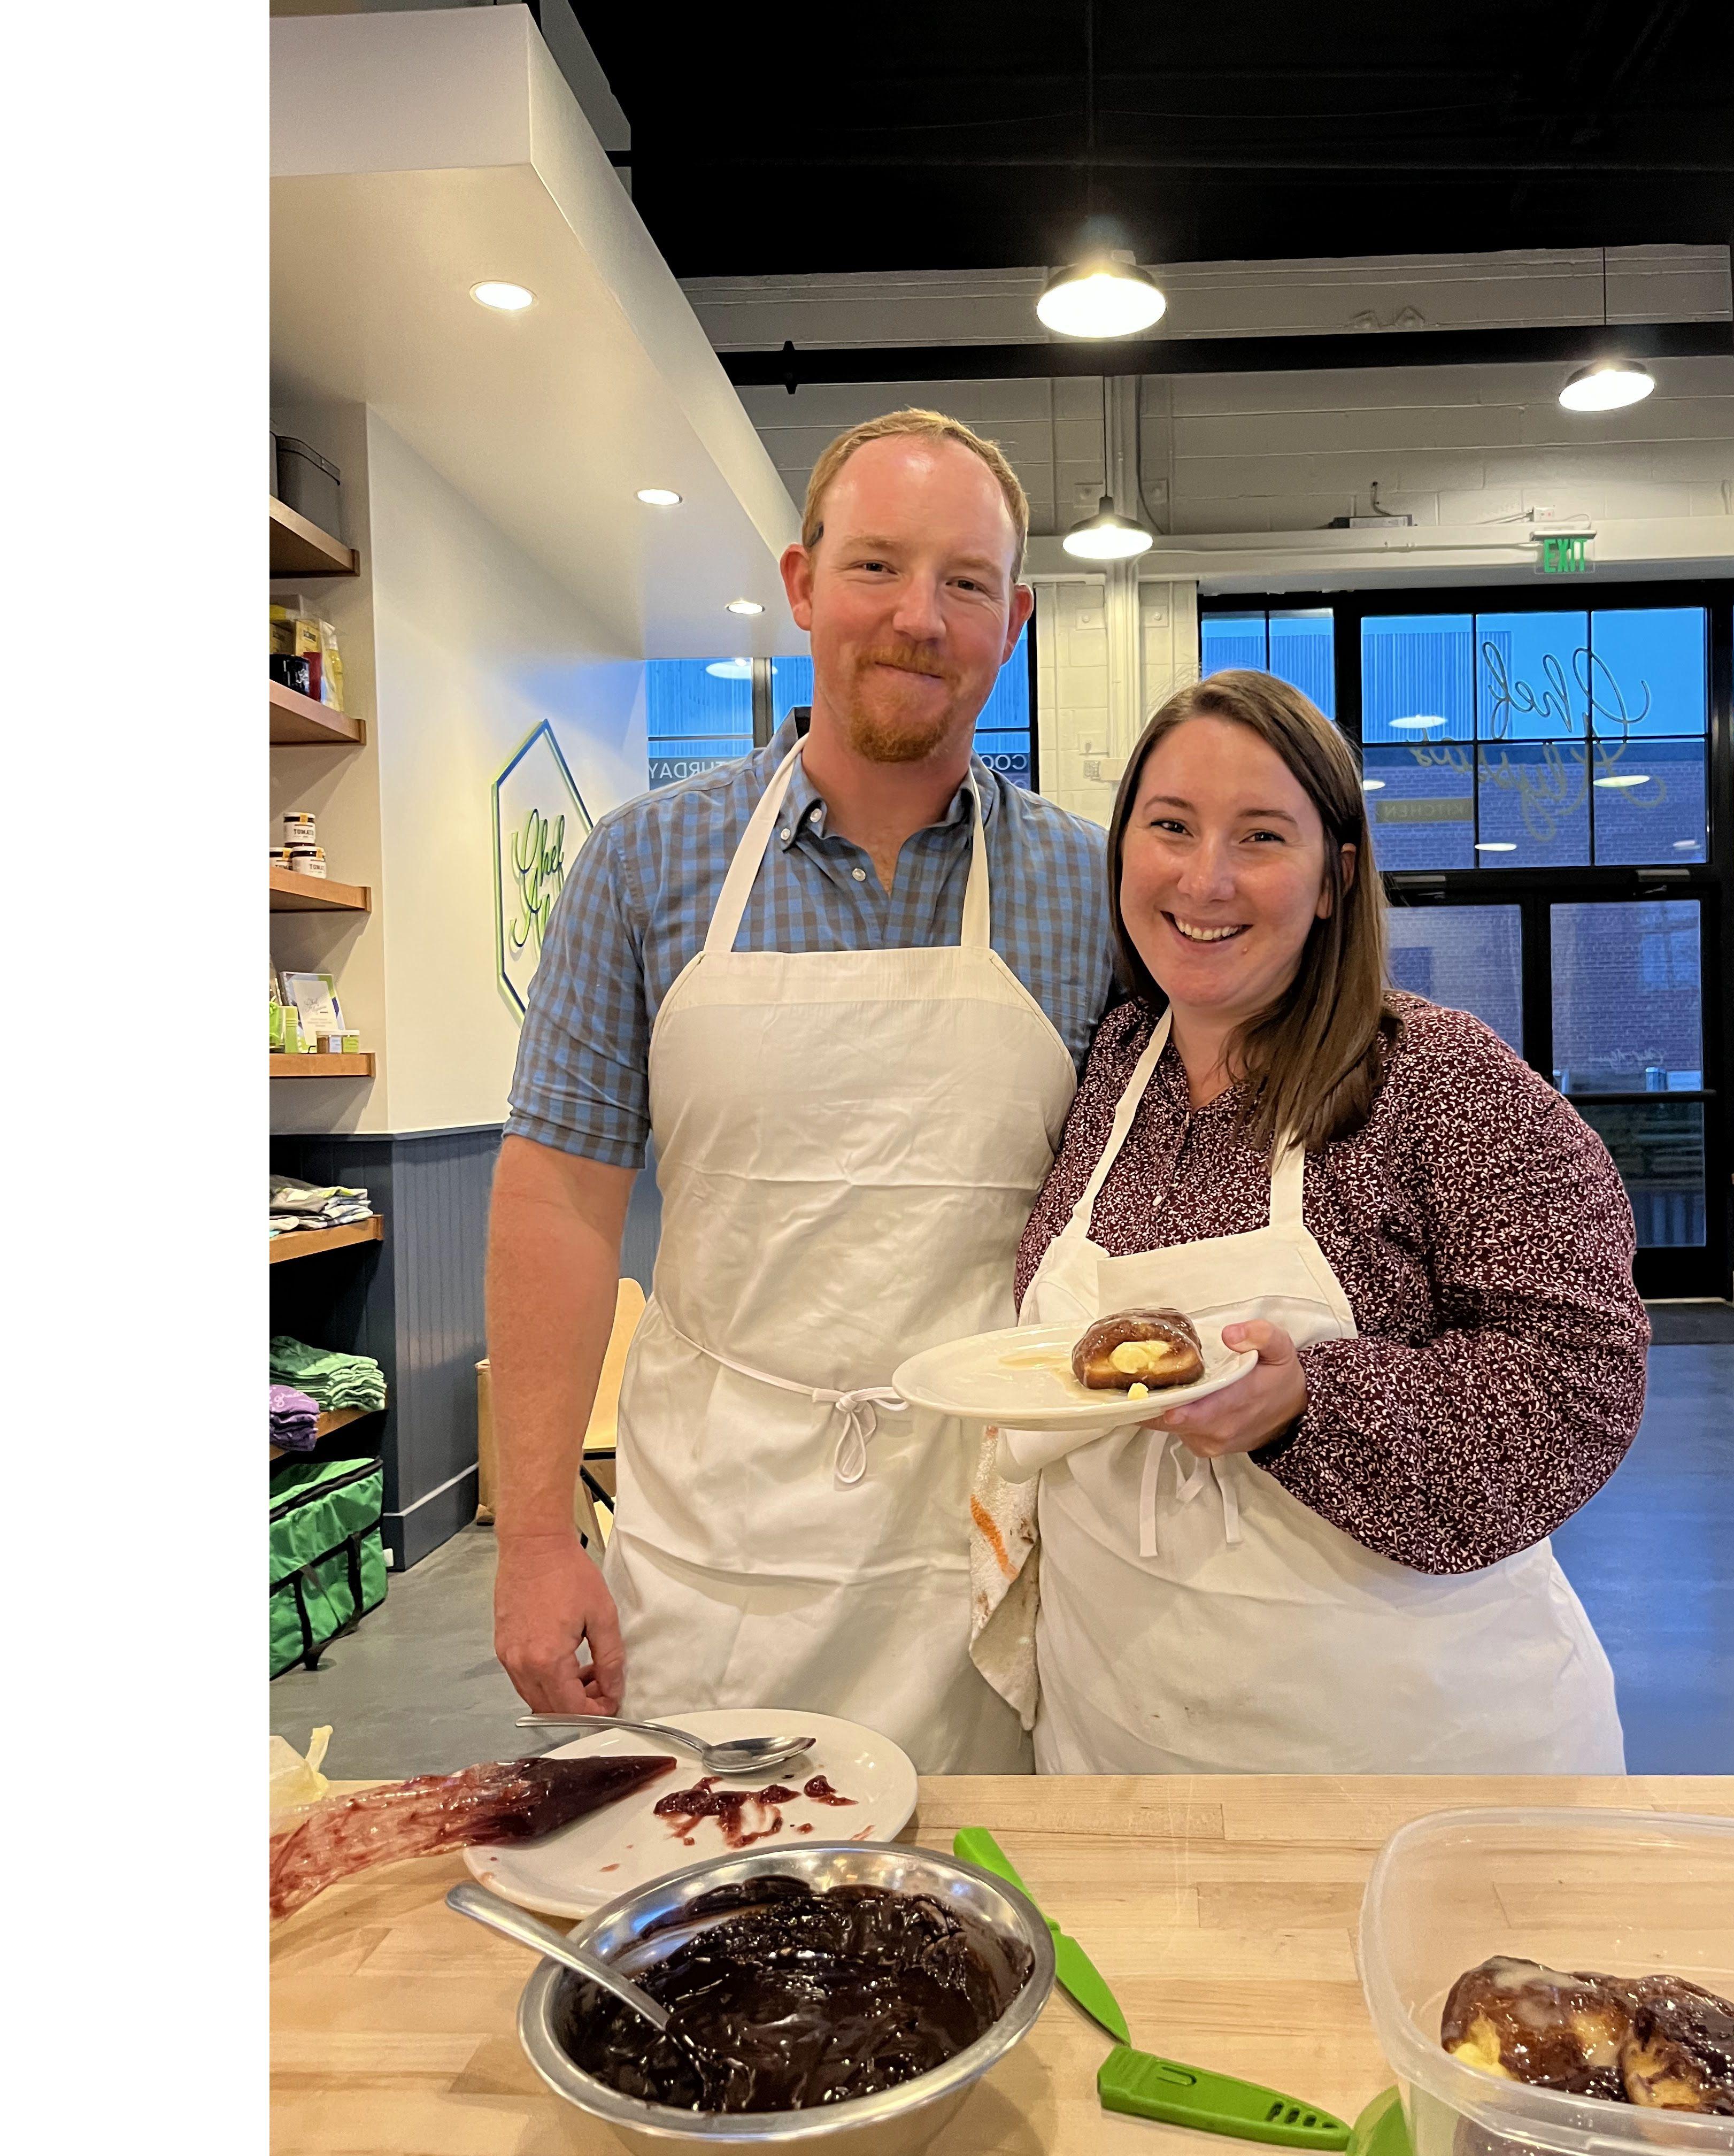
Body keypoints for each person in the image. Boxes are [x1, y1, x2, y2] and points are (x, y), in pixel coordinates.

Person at [489, 409, 1116, 1773]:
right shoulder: (644, 866)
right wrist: (537, 1534)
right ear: (800, 584)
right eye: (878, 567)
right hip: (716, 1545)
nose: (920, 619)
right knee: (701, 1926)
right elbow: (559, 1197)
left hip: (993, 1546)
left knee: (980, 1924)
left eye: (965, 584)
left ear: (1011, 620)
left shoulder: (1091, 886)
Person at [969, 669, 1647, 1774]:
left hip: (1401, 1749)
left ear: (1335, 880)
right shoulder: (1113, 1070)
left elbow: (1582, 1380)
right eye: (1171, 827)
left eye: (1263, 837)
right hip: (1123, 1735)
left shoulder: (1439, 1081)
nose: (1207, 878)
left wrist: (1311, 1405)